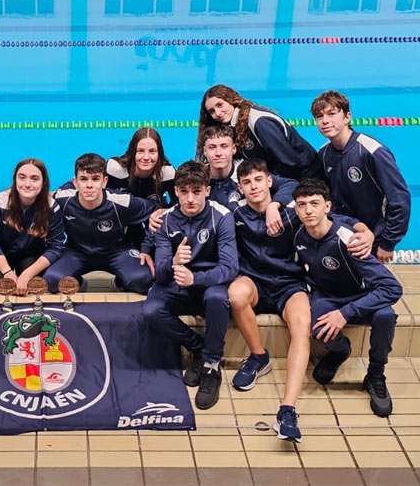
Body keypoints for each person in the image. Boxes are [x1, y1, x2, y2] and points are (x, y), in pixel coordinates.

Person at [227, 159, 374, 442]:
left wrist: (364, 230)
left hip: (289, 285)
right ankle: (259, 357)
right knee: (235, 295)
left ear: (270, 181)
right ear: (240, 188)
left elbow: (336, 217)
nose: (254, 186)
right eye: (247, 182)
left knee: (303, 324)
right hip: (255, 281)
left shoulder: (295, 211)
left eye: (259, 179)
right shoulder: (235, 213)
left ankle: (287, 409)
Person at [293, 178, 402, 417]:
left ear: (328, 207)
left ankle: (375, 375)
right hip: (329, 296)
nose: (308, 210)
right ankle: (340, 351)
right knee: (315, 319)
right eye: (302, 205)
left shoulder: (348, 240)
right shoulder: (299, 235)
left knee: (385, 316)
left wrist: (346, 313)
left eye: (315, 203)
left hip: (362, 296)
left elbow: (392, 288)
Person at [141, 161, 238, 410]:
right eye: (184, 192)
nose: (190, 199)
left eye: (196, 191)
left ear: (207, 190)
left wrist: (197, 279)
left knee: (218, 298)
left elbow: (229, 268)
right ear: (176, 192)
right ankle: (198, 348)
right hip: (177, 283)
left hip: (209, 282)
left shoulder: (222, 217)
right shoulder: (166, 220)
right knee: (151, 310)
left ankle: (211, 364)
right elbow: (160, 276)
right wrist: (173, 262)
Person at [311, 90, 411, 263]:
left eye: (332, 114)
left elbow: (399, 200)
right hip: (344, 236)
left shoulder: (372, 151)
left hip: (376, 241)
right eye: (319, 117)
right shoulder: (324, 154)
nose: (325, 121)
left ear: (347, 117)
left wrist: (388, 243)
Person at [43, 153, 155, 294]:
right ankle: (77, 282)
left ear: (104, 181)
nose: (89, 185)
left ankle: (121, 282)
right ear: (75, 182)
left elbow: (155, 209)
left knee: (142, 280)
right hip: (77, 252)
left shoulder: (121, 202)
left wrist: (146, 249)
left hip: (117, 252)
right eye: (83, 179)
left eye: (95, 179)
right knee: (52, 281)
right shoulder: (63, 198)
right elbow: (40, 198)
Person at [197, 84, 322, 180]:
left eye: (220, 105)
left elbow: (289, 162)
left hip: (309, 178)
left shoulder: (258, 122)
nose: (217, 114)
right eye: (212, 111)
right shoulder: (236, 124)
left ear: (231, 100)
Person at [0, 159, 66, 295]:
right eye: (22, 178)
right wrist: (8, 272)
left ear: (43, 182)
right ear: (15, 180)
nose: (27, 184)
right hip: (0, 255)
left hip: (30, 255)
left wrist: (27, 274)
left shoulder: (51, 207)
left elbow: (56, 246)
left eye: (34, 179)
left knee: (31, 285)